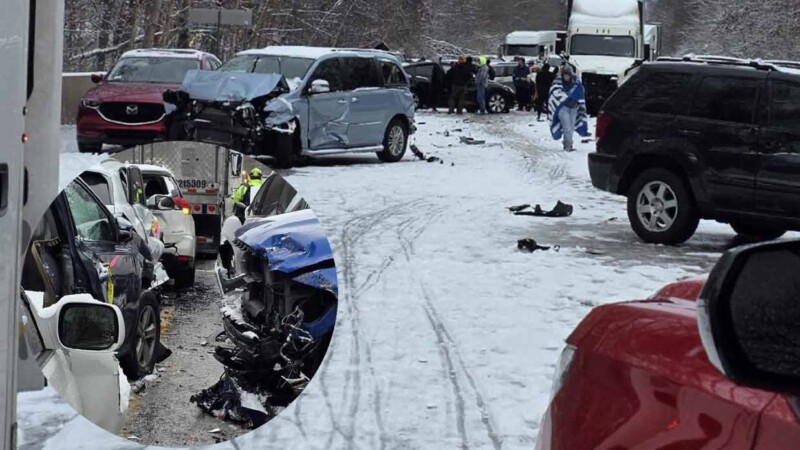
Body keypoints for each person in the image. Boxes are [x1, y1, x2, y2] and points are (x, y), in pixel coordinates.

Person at [548, 64, 590, 152]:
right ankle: (568, 146)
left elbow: (581, 93)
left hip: (574, 107)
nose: (566, 77)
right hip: (562, 108)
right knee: (566, 127)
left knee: (571, 127)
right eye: (565, 75)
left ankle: (567, 143)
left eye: (568, 75)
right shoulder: (557, 82)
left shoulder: (576, 83)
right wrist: (566, 98)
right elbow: (555, 93)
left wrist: (576, 100)